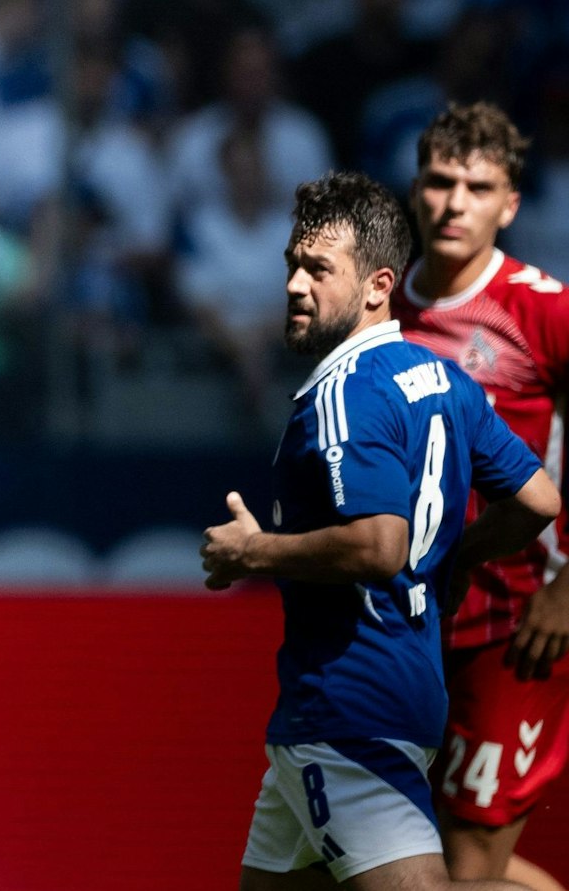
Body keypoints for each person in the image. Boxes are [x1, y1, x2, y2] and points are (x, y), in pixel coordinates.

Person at [201, 171, 559, 890]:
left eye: (318, 270)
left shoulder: (344, 394)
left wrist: (252, 552)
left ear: (377, 286)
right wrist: (455, 557)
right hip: (381, 702)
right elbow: (539, 501)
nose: (295, 285)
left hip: (348, 709)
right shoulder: (445, 378)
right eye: (292, 265)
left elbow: (378, 544)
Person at [394, 104, 569, 891]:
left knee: (463, 870)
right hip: (409, 625)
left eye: (478, 187)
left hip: (516, 623)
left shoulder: (546, 311)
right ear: (415, 190)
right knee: (410, 860)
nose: (454, 203)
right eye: (440, 181)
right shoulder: (379, 311)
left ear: (511, 204)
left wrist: (567, 590)